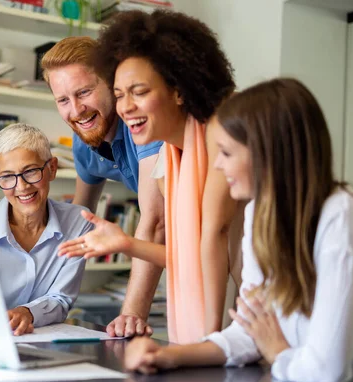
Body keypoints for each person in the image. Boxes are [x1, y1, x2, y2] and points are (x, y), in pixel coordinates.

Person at [124, 78, 353, 382]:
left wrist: (278, 351)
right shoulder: (260, 213)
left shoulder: (343, 216)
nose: (217, 164)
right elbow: (249, 331)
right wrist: (170, 355)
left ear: (266, 153)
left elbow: (325, 371)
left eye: (226, 152)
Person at [59, 10, 240, 343]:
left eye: (138, 92)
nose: (126, 107)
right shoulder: (166, 162)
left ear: (178, 90)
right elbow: (188, 257)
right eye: (119, 94)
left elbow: (216, 241)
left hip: (256, 301)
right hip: (229, 310)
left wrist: (208, 343)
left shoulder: (219, 141)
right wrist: (127, 244)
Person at [41, 36, 165, 338]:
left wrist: (132, 314)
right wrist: (42, 303)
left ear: (112, 83)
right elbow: (79, 222)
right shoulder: (86, 143)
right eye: (63, 100)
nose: (76, 110)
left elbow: (156, 221)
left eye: (84, 92)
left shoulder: (141, 123)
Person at [0, 123, 92, 336]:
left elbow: (61, 299)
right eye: (8, 176)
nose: (22, 186)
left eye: (31, 171)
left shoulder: (78, 223)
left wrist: (28, 313)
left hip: (45, 342)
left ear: (52, 168)